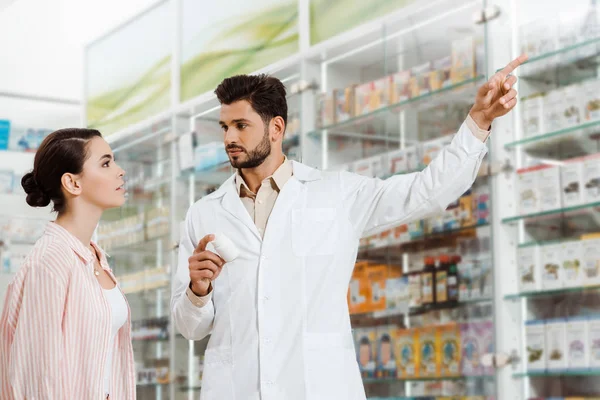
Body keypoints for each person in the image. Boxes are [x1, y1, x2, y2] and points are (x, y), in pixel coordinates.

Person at [171, 54, 528, 400]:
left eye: (241, 125)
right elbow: (190, 327)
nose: (229, 138)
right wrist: (197, 291)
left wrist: (478, 123)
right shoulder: (204, 215)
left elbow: (426, 192)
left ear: (276, 127)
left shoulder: (336, 193)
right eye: (225, 127)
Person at [0, 128, 136, 399]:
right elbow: (36, 377)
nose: (120, 171)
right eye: (106, 163)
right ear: (73, 183)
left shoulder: (94, 256)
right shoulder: (50, 261)